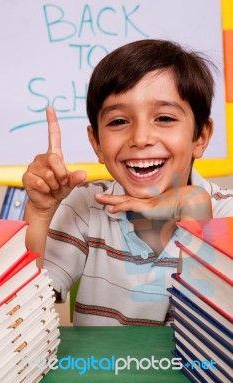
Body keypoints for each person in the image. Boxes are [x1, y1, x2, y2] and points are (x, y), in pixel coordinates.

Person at [23, 39, 233, 326]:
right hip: (100, 370)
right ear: (96, 142)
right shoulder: (86, 204)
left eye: (164, 117)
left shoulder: (226, 215)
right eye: (119, 121)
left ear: (201, 136)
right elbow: (23, 310)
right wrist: (40, 214)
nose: (140, 138)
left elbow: (215, 338)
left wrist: (198, 218)